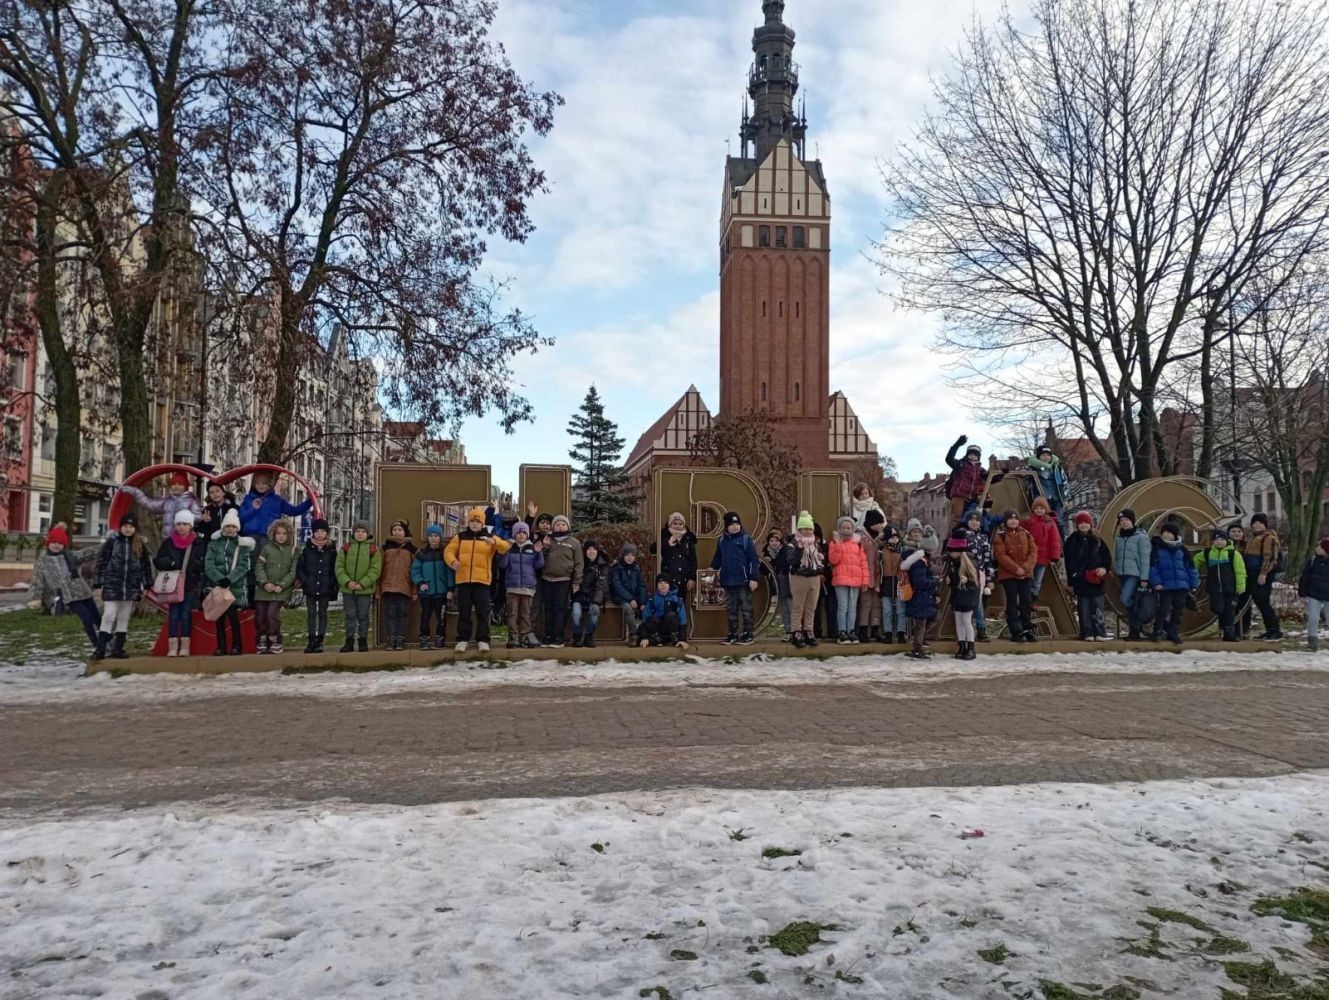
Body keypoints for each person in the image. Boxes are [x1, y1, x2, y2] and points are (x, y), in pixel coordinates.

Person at [27, 523, 101, 654]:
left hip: (83, 592)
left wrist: (107, 545)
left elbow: (88, 553)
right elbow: (36, 581)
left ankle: (108, 643)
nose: (57, 545)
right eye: (54, 542)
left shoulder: (70, 556)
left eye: (60, 543)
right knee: (87, 619)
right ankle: (97, 646)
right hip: (69, 597)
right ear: (48, 543)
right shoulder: (43, 562)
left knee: (98, 619)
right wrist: (35, 597)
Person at [445, 507, 512, 653]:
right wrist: (453, 562)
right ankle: (463, 639)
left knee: (483, 612)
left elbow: (505, 547)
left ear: (482, 523)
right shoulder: (460, 537)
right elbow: (448, 551)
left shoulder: (489, 536)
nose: (475, 524)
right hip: (463, 581)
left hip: (482, 581)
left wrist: (493, 541)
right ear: (468, 523)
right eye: (472, 521)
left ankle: (483, 640)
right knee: (464, 612)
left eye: (478, 521)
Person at [93, 513, 153, 661]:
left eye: (131, 527)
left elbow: (145, 566)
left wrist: (146, 584)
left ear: (135, 529)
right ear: (121, 527)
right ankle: (100, 648)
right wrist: (99, 583)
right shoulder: (112, 542)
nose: (128, 529)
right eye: (125, 526)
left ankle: (118, 648)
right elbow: (102, 563)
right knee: (109, 615)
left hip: (131, 586)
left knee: (124, 616)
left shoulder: (140, 545)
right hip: (113, 585)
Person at [151, 510, 205, 658]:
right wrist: (171, 563)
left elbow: (202, 562)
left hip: (190, 584)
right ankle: (172, 646)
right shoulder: (168, 543)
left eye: (185, 524)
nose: (181, 527)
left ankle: (185, 646)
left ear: (191, 526)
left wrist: (193, 567)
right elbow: (158, 561)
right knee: (174, 614)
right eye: (179, 524)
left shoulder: (198, 542)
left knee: (186, 614)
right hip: (172, 585)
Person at [204, 508, 255, 657]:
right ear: (223, 527)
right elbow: (209, 563)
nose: (230, 529)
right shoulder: (214, 544)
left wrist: (230, 579)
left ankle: (237, 646)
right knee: (219, 618)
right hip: (219, 586)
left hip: (235, 588)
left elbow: (243, 566)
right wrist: (219, 578)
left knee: (233, 618)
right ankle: (221, 646)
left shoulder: (242, 545)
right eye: (228, 526)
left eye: (233, 526)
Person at [712, 510, 761, 645]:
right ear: (726, 526)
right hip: (728, 581)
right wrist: (713, 567)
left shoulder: (746, 540)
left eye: (737, 524)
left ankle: (748, 633)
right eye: (732, 524)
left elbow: (753, 559)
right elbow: (718, 556)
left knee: (746, 609)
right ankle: (732, 633)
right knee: (731, 609)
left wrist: (753, 578)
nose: (735, 527)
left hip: (743, 581)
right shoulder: (722, 540)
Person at [1064, 511, 1112, 641]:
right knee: (1083, 607)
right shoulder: (1071, 541)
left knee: (1098, 607)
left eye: (1086, 522)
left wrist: (1104, 568)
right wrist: (1071, 581)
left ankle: (1100, 631)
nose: (1084, 525)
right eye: (1081, 523)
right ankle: (1086, 632)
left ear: (1090, 524)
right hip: (1080, 580)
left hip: (1096, 580)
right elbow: (1068, 563)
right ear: (1077, 525)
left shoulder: (1098, 541)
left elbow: (1107, 558)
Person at [1149, 520, 1199, 644]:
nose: (1166, 535)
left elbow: (1190, 567)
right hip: (1165, 586)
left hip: (1181, 586)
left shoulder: (1182, 550)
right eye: (1164, 532)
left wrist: (1193, 583)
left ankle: (1174, 632)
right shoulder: (1156, 549)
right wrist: (1156, 583)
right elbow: (1152, 568)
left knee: (1178, 611)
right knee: (1163, 609)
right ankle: (1157, 631)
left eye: (1169, 533)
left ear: (1175, 535)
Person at [253, 519, 298, 654]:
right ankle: (262, 639)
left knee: (272, 613)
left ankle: (275, 639)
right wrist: (265, 582)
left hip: (280, 590)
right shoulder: (266, 549)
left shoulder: (293, 550)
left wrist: (282, 585)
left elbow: (293, 571)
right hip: (264, 589)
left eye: (284, 533)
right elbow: (259, 567)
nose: (281, 536)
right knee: (260, 615)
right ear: (273, 534)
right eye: (278, 533)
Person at [336, 520, 381, 653]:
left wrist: (363, 583)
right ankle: (349, 641)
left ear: (368, 534)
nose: (360, 534)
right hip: (348, 589)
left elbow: (375, 569)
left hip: (364, 590)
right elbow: (339, 567)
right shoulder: (346, 548)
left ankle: (363, 641)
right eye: (358, 531)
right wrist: (347, 582)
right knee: (350, 615)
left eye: (363, 532)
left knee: (363, 616)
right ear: (353, 533)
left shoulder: (373, 549)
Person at [1194, 528, 1246, 643]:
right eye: (1217, 539)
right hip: (1215, 588)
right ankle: (1224, 626)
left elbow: (1240, 571)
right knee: (1218, 608)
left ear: (1227, 540)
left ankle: (1229, 632)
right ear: (1213, 541)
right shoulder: (1208, 553)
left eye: (1222, 539)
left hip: (1231, 588)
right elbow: (1196, 560)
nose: (1219, 542)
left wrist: (1240, 586)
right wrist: (1194, 572)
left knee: (1230, 610)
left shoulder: (1233, 554)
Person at [994, 510, 1038, 642]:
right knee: (1012, 602)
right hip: (1009, 574)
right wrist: (1015, 569)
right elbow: (1001, 555)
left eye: (1016, 519)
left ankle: (1027, 628)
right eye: (1010, 519)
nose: (1013, 521)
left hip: (1026, 573)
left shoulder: (1026, 534)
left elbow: (1033, 552)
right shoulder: (1000, 535)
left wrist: (1024, 568)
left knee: (1026, 601)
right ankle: (1016, 631)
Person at [296, 518, 339, 653]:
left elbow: (335, 569)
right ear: (313, 533)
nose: (320, 534)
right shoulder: (307, 550)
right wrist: (305, 581)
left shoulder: (331, 551)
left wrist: (332, 583)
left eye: (323, 531)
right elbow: (300, 568)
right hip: (310, 586)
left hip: (325, 587)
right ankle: (311, 640)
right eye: (317, 531)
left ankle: (320, 640)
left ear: (327, 533)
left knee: (322, 613)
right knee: (311, 613)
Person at [539, 514, 582, 648]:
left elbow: (579, 564)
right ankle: (548, 635)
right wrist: (544, 548)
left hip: (563, 580)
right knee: (548, 609)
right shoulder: (547, 540)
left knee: (560, 608)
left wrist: (576, 582)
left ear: (567, 526)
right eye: (557, 524)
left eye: (563, 524)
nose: (560, 526)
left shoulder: (574, 542)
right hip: (546, 579)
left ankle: (558, 637)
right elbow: (539, 560)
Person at [783, 512, 823, 649]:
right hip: (799, 577)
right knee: (798, 606)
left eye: (810, 529)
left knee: (811, 607)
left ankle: (808, 630)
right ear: (799, 530)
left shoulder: (815, 545)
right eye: (805, 529)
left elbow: (818, 559)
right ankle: (796, 631)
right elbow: (791, 561)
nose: (808, 531)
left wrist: (820, 563)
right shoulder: (793, 544)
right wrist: (800, 549)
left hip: (814, 577)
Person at [413, 524, 456, 649]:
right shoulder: (421, 554)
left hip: (442, 593)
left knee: (441, 618)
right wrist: (420, 583)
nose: (433, 538)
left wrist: (450, 588)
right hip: (426, 593)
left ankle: (440, 638)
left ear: (440, 538)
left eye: (436, 536)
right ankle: (424, 638)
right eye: (431, 536)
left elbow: (450, 572)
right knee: (425, 617)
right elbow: (415, 571)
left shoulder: (445, 554)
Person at [829, 514, 870, 644]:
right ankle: (842, 631)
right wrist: (838, 545)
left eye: (849, 527)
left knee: (852, 607)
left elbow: (863, 562)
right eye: (844, 527)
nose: (846, 530)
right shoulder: (834, 542)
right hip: (841, 579)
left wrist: (865, 580)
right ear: (839, 528)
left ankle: (851, 630)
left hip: (855, 580)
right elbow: (833, 560)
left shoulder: (857, 544)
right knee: (843, 607)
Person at [119, 470, 201, 534]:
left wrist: (186, 517)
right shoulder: (167, 501)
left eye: (180, 484)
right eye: (174, 484)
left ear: (185, 486)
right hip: (168, 540)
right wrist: (136, 492)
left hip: (184, 539)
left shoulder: (190, 501)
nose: (176, 486)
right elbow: (149, 504)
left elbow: (198, 517)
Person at [378, 520, 417, 651]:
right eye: (394, 530)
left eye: (400, 530)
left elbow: (415, 570)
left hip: (404, 587)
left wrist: (414, 589)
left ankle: (400, 639)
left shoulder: (411, 549)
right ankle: (391, 639)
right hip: (388, 586)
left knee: (403, 613)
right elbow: (380, 568)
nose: (397, 532)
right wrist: (378, 588)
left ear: (405, 532)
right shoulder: (385, 548)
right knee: (390, 613)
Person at [945, 532, 985, 661]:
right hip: (958, 595)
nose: (950, 554)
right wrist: (950, 579)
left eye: (952, 551)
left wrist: (967, 581)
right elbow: (954, 577)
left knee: (967, 622)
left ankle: (971, 648)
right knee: (959, 622)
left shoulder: (969, 561)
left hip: (967, 596)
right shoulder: (952, 562)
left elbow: (975, 582)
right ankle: (962, 645)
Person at [1115, 509, 1152, 641]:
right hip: (1122, 573)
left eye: (1126, 520)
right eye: (1121, 521)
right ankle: (1134, 630)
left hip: (1134, 574)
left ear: (1132, 521)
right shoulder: (1119, 538)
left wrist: (1144, 578)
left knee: (1125, 599)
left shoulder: (1141, 538)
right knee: (1130, 603)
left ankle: (1137, 623)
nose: (1123, 523)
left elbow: (1145, 559)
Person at [1246, 513, 1284, 641]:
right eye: (1254, 523)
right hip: (1253, 574)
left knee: (1263, 602)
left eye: (1259, 522)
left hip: (1261, 574)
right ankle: (1270, 630)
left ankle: (1274, 631)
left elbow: (1270, 556)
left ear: (1265, 524)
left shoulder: (1269, 537)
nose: (1256, 525)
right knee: (1260, 602)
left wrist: (1263, 573)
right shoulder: (1255, 538)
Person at [962, 508, 996, 642]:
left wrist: (990, 578)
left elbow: (988, 559)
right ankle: (969, 629)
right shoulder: (963, 535)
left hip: (980, 573)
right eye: (971, 520)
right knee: (969, 602)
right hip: (966, 573)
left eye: (977, 520)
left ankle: (980, 629)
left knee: (978, 602)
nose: (974, 522)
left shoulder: (983, 538)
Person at [901, 544, 939, 659]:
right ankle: (917, 648)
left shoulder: (921, 563)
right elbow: (921, 582)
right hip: (920, 598)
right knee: (921, 623)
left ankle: (919, 642)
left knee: (932, 617)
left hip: (923, 598)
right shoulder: (919, 564)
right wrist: (936, 581)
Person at [1023, 496, 1063, 601]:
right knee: (1027, 579)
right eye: (1037, 508)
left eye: (1041, 508)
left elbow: (1054, 541)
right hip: (1028, 556)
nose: (1039, 510)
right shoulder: (1028, 521)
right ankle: (1026, 599)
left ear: (1046, 509)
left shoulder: (1050, 523)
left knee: (1037, 581)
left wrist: (1054, 557)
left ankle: (1033, 599)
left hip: (1042, 558)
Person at [571, 540, 609, 648]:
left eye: (594, 549)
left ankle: (589, 636)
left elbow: (601, 586)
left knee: (594, 613)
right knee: (576, 613)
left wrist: (596, 602)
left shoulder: (602, 566)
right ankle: (577, 636)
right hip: (578, 596)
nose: (591, 551)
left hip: (594, 597)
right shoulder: (580, 563)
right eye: (589, 549)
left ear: (597, 551)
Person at [944, 435, 988, 526]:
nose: (973, 457)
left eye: (975, 455)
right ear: (967, 455)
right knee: (956, 519)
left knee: (972, 519)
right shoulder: (961, 464)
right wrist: (957, 445)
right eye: (971, 454)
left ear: (978, 457)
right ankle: (955, 538)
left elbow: (989, 480)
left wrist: (1001, 475)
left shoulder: (980, 470)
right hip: (959, 495)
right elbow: (949, 459)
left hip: (972, 499)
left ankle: (970, 536)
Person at [609, 542, 648, 646]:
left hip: (635, 598)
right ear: (623, 556)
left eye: (632, 555)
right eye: (627, 555)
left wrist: (642, 601)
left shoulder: (636, 569)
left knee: (644, 609)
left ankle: (644, 636)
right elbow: (617, 587)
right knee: (628, 608)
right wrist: (630, 599)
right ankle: (633, 635)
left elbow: (642, 586)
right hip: (621, 598)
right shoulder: (617, 568)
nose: (630, 558)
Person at [857, 509, 886, 643]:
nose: (882, 525)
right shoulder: (863, 538)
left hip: (877, 577)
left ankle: (875, 629)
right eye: (879, 523)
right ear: (872, 523)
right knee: (866, 604)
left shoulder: (880, 538)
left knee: (876, 604)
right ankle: (863, 630)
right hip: (865, 576)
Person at [639, 575, 689, 649]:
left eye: (665, 582)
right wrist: (645, 637)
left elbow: (683, 621)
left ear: (669, 585)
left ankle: (676, 640)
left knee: (671, 615)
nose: (663, 585)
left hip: (672, 631)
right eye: (660, 583)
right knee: (651, 618)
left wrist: (682, 639)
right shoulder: (652, 600)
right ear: (657, 586)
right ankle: (656, 640)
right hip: (656, 632)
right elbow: (645, 620)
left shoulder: (677, 600)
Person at [1027, 446, 1069, 531]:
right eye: (1043, 455)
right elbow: (1025, 480)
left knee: (1059, 521)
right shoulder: (1032, 469)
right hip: (1042, 499)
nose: (1046, 458)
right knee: (1044, 521)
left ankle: (1060, 542)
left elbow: (1064, 482)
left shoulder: (1057, 468)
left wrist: (1066, 498)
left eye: (1048, 455)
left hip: (1057, 498)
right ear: (1038, 457)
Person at [656, 512, 698, 597]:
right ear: (670, 525)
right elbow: (654, 549)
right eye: (675, 523)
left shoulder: (688, 540)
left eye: (680, 524)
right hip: (668, 579)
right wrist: (668, 543)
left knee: (680, 604)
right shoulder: (664, 537)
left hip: (683, 579)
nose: (677, 526)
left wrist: (692, 578)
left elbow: (693, 560)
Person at [1298, 537, 1329, 651]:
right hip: (1314, 594)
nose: (1317, 548)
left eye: (1320, 546)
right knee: (1313, 618)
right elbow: (1305, 576)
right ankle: (1312, 642)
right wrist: (1302, 590)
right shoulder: (1313, 561)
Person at [879, 525, 907, 644]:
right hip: (885, 581)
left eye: (896, 537)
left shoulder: (902, 551)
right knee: (887, 610)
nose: (894, 540)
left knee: (900, 609)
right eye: (891, 538)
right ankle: (888, 633)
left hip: (899, 581)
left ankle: (901, 633)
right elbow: (877, 569)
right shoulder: (882, 552)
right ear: (886, 539)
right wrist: (877, 583)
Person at [765, 528, 793, 639]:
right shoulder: (766, 553)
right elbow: (764, 570)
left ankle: (795, 630)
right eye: (771, 541)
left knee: (791, 606)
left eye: (776, 541)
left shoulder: (786, 551)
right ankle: (787, 630)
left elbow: (784, 565)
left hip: (787, 582)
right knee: (783, 608)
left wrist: (772, 561)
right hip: (777, 584)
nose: (774, 543)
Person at [815, 521, 838, 641]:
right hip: (814, 580)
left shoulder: (826, 547)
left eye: (817, 536)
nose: (816, 539)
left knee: (831, 607)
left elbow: (831, 563)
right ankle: (816, 631)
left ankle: (832, 631)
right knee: (815, 607)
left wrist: (825, 575)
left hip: (828, 581)